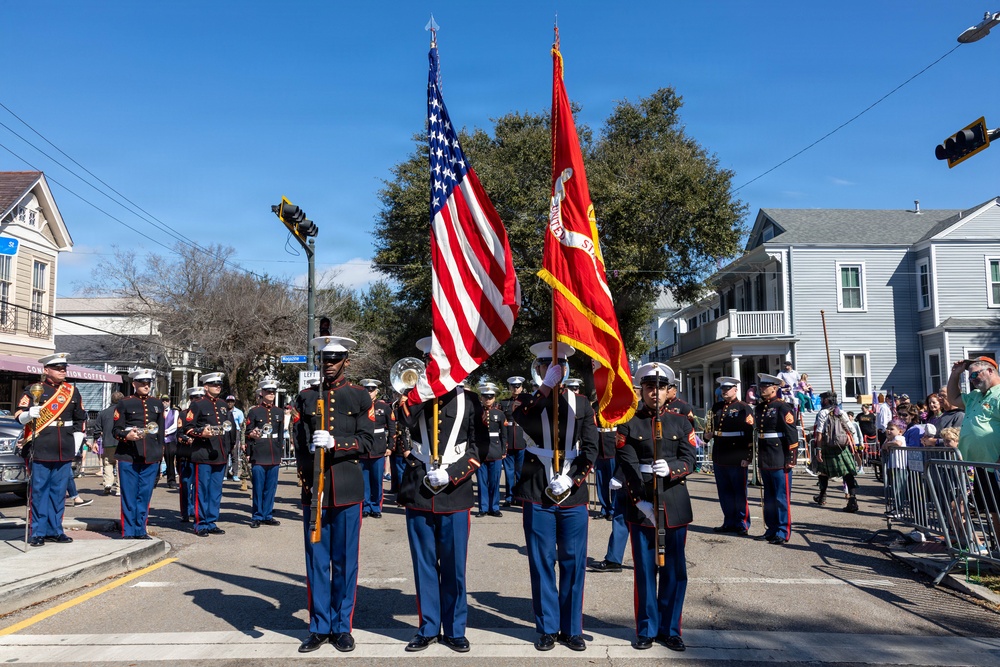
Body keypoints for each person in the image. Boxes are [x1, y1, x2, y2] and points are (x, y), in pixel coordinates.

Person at [511, 341, 598, 652]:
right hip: (537, 489)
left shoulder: (582, 404)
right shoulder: (526, 401)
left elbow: (591, 449)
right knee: (542, 562)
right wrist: (545, 388)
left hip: (572, 493)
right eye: (545, 365)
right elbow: (524, 418)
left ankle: (572, 629)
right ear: (538, 369)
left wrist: (573, 479)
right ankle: (548, 627)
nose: (552, 369)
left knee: (573, 562)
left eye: (556, 365)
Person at [397, 337, 478, 653]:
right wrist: (422, 389)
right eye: (432, 360)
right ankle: (428, 627)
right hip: (419, 489)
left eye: (444, 359)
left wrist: (453, 473)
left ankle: (455, 629)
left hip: (455, 492)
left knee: (455, 567)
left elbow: (479, 448)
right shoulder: (414, 397)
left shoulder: (470, 401)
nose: (439, 365)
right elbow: (405, 419)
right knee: (424, 565)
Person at [295, 336, 374, 654]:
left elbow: (369, 442)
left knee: (344, 562)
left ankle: (342, 627)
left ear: (346, 362)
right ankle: (319, 627)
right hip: (316, 492)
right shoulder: (305, 397)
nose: (329, 364)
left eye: (335, 359)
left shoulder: (358, 396)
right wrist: (306, 475)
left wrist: (336, 443)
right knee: (316, 562)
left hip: (347, 490)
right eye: (324, 359)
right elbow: (299, 443)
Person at [617, 362, 696, 651]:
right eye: (649, 387)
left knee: (674, 571)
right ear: (642, 390)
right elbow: (627, 464)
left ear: (668, 391)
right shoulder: (629, 422)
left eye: (660, 388)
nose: (655, 392)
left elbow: (690, 459)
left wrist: (673, 468)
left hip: (674, 502)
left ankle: (670, 630)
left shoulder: (682, 422)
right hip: (642, 503)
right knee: (645, 571)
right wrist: (640, 501)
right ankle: (647, 629)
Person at [14, 352, 88, 547]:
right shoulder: (34, 389)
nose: (62, 371)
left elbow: (80, 418)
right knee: (39, 492)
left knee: (58, 492)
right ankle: (38, 532)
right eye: (57, 368)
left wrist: (77, 441)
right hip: (41, 447)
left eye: (64, 368)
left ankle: (56, 530)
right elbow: (18, 415)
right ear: (46, 370)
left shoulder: (72, 391)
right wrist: (29, 414)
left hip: (64, 447)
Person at [111, 368, 166, 539]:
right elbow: (115, 430)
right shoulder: (125, 403)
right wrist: (126, 435)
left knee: (145, 494)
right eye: (142, 383)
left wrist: (160, 453)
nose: (146, 386)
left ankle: (140, 529)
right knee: (129, 494)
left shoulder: (157, 404)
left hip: (151, 455)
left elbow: (160, 432)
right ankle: (128, 530)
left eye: (148, 383)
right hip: (129, 454)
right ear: (134, 383)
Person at [183, 372, 234, 537]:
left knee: (216, 491)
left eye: (219, 384)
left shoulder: (223, 404)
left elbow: (230, 428)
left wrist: (228, 449)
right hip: (203, 454)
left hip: (220, 453)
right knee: (202, 490)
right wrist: (201, 432)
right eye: (214, 384)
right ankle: (200, 523)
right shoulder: (198, 404)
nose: (217, 387)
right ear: (206, 387)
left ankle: (211, 521)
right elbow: (187, 428)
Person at [753, 373, 799, 545]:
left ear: (775, 388)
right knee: (769, 498)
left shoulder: (783, 407)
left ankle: (782, 531)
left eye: (765, 386)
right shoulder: (759, 408)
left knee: (781, 497)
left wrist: (791, 458)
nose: (762, 389)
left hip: (780, 456)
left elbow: (791, 434)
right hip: (765, 456)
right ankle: (771, 529)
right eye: (761, 386)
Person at [706, 376, 754, 535]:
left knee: (739, 492)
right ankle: (729, 521)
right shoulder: (717, 407)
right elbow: (710, 428)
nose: (724, 391)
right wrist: (706, 436)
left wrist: (747, 456)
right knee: (724, 492)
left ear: (736, 390)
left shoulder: (743, 407)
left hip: (736, 455)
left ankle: (742, 523)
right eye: (723, 389)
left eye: (728, 389)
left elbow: (749, 433)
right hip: (720, 454)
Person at [244, 379, 285, 528]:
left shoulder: (279, 412)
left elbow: (280, 435)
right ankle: (257, 515)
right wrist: (249, 451)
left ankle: (268, 514)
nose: (271, 394)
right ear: (262, 393)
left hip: (273, 453)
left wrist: (280, 453)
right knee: (258, 487)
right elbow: (248, 433)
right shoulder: (254, 411)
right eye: (268, 392)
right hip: (259, 453)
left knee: (271, 488)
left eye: (273, 392)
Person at [812, 393, 860, 513]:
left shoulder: (823, 413)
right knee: (848, 473)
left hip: (826, 446)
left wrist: (818, 449)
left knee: (823, 472)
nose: (821, 401)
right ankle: (852, 500)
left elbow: (819, 432)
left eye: (822, 399)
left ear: (826, 400)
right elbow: (851, 430)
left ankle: (822, 497)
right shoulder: (841, 412)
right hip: (842, 447)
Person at [359, 379, 394, 519]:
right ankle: (365, 506)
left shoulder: (384, 407)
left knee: (377, 480)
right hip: (363, 448)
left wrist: (390, 446)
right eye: (367, 389)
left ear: (376, 391)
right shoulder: (359, 406)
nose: (369, 392)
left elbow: (392, 427)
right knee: (364, 480)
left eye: (372, 390)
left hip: (378, 448)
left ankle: (376, 507)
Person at [474, 382, 505, 518]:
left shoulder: (499, 413)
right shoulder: (475, 413)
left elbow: (504, 434)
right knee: (482, 482)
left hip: (495, 450)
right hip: (480, 451)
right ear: (481, 397)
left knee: (494, 482)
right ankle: (483, 508)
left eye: (490, 397)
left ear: (494, 398)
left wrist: (503, 451)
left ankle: (494, 507)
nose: (488, 399)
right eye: (485, 397)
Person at [175, 386, 204, 523]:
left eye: (200, 398)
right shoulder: (183, 415)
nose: (197, 401)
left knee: (198, 485)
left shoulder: (205, 415)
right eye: (195, 398)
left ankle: (196, 511)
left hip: (200, 454)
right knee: (185, 484)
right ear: (190, 399)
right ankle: (185, 511)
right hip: (186, 454)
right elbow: (179, 433)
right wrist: (187, 439)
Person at [500, 376, 527, 508]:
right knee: (509, 472)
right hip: (509, 440)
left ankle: (520, 497)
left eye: (518, 386)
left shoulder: (527, 402)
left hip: (522, 440)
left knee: (520, 472)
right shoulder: (504, 403)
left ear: (521, 387)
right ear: (510, 388)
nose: (516, 389)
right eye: (513, 386)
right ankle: (509, 497)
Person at [94, 391, 124, 496]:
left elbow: (97, 429)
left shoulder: (103, 413)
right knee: (120, 465)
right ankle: (119, 489)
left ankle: (107, 483)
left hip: (108, 441)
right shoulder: (124, 412)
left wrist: (95, 440)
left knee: (108, 463)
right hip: (121, 441)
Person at [225, 395, 245, 482]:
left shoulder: (239, 412)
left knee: (234, 453)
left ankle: (235, 474)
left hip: (235, 432)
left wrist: (241, 439)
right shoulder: (223, 411)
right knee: (225, 453)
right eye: (228, 401)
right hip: (226, 432)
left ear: (234, 402)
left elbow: (241, 425)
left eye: (231, 401)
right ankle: (225, 474)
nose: (230, 403)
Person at [161, 395, 179, 489]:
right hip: (159, 439)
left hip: (170, 439)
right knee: (157, 460)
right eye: (163, 400)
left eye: (166, 400)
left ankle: (171, 481)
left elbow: (175, 425)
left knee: (170, 460)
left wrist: (166, 432)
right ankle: (154, 481)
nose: (165, 402)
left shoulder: (175, 412)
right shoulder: (158, 412)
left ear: (170, 401)